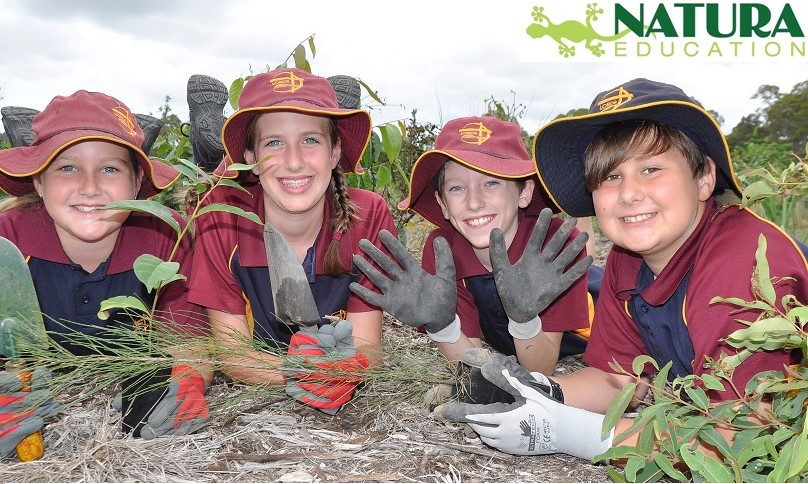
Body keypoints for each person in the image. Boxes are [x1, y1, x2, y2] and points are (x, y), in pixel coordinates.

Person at [433, 78, 808, 461]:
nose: (628, 194)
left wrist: (562, 430)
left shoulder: (742, 261)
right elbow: (618, 378)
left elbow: (747, 429)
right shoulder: (628, 260)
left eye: (650, 169)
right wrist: (535, 390)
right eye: (611, 177)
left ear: (704, 177)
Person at [0, 90, 212, 454]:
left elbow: (189, 344)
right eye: (67, 167)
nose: (90, 186)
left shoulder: (165, 237)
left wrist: (186, 383)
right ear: (38, 182)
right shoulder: (8, 241)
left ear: (135, 184)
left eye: (110, 168)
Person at [188, 68, 396, 414]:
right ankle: (209, 150)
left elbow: (367, 348)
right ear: (251, 159)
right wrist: (298, 371)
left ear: (335, 153)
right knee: (206, 187)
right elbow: (232, 354)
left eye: (311, 140)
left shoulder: (368, 214)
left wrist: (346, 370)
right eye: (274, 143)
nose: (294, 161)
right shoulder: (221, 218)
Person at [350, 116, 591, 376]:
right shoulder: (444, 250)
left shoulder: (555, 245)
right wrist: (442, 327)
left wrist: (524, 319)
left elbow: (541, 368)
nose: (474, 202)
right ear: (442, 204)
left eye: (491, 182)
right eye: (456, 188)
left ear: (524, 192)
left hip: (574, 338)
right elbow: (470, 365)